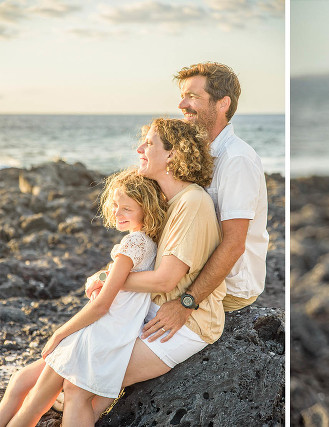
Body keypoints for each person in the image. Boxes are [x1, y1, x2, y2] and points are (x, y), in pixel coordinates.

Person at [0, 118, 223, 425]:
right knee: (34, 375)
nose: (139, 148)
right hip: (142, 314)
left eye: (149, 143)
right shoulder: (164, 200)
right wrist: (108, 277)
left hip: (181, 325)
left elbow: (165, 278)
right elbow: (138, 259)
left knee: (75, 385)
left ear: (172, 155)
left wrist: (109, 281)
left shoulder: (191, 202)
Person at [1, 168, 166, 426]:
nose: (117, 213)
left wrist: (59, 334)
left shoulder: (133, 244)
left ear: (146, 209)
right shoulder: (148, 244)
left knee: (33, 406)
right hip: (107, 333)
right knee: (24, 383)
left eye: (126, 209)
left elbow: (101, 306)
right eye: (115, 205)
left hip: (96, 334)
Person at [138, 61, 269, 346]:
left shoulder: (237, 160)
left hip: (230, 287)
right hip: (187, 269)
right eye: (183, 96)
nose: (182, 103)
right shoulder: (198, 154)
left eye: (192, 96)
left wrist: (186, 303)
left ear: (223, 104)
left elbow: (234, 244)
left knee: (121, 317)